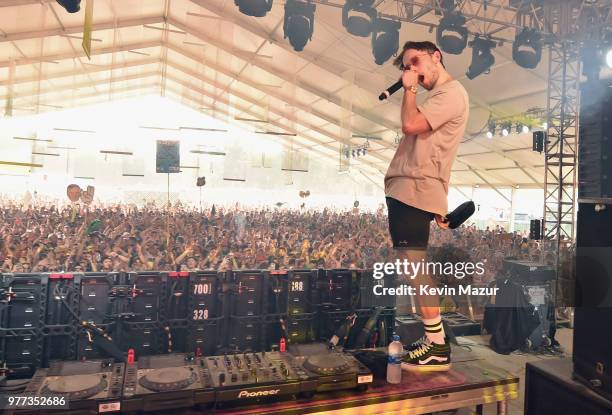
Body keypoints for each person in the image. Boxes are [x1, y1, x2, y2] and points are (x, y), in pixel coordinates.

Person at [384, 41, 469, 372]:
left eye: (415, 61)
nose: (411, 71)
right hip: (411, 188)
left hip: (414, 188)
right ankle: (433, 342)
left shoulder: (450, 93)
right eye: (406, 67)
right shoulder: (439, 97)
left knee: (415, 267)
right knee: (410, 266)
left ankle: (437, 345)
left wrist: (409, 92)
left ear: (437, 56)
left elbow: (410, 126)